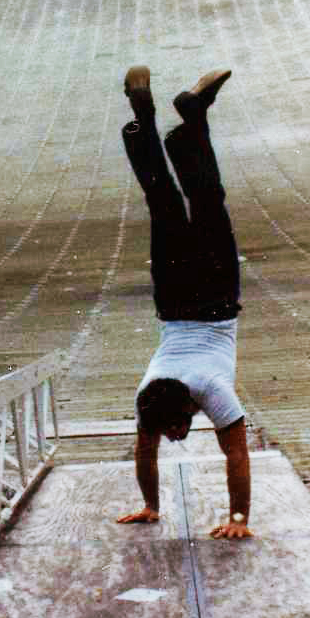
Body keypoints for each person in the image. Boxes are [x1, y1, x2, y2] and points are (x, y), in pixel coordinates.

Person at [115, 65, 253, 540]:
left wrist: (238, 521)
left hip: (214, 298)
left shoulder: (211, 389)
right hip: (174, 301)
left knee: (206, 200)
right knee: (165, 202)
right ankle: (155, 117)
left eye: (173, 431)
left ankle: (190, 116)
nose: (175, 438)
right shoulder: (150, 398)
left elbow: (237, 453)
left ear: (189, 406)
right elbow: (145, 449)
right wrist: (150, 507)